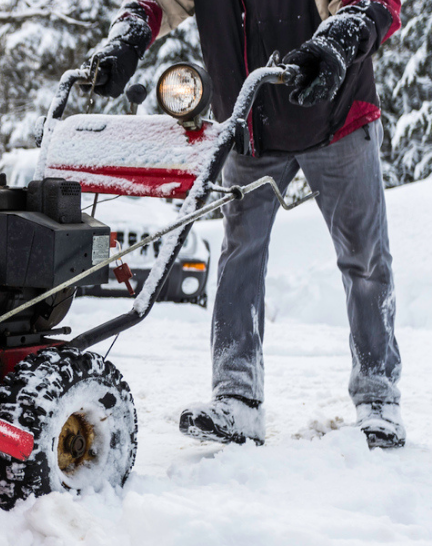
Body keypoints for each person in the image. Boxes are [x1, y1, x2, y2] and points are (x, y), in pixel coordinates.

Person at [85, 0, 405, 448]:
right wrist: (128, 39)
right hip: (250, 127)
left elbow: (374, 5)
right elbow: (155, 5)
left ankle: (379, 400)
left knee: (365, 258)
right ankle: (237, 399)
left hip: (336, 118)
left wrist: (337, 39)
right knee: (240, 256)